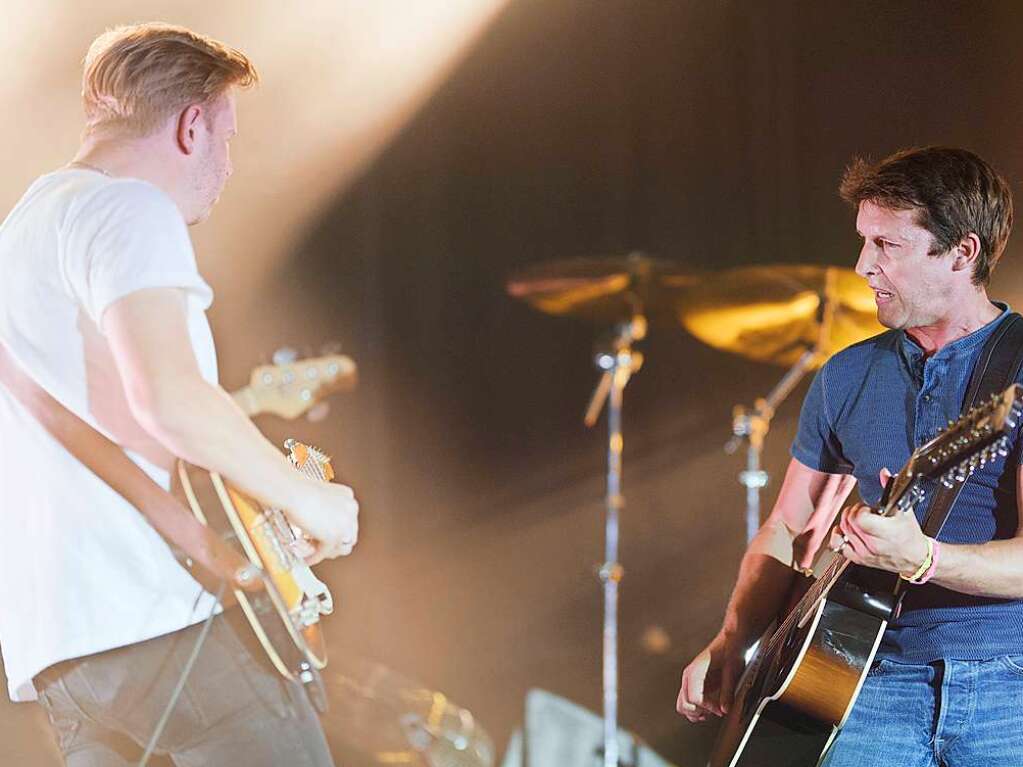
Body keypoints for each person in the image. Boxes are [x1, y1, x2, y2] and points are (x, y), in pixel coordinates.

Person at [0, 23, 359, 766]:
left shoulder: (19, 235)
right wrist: (306, 497)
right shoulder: (128, 210)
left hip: (60, 655)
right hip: (167, 621)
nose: (227, 168)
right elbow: (169, 397)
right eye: (227, 140)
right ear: (192, 126)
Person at [676, 146, 1023, 766]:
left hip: (1006, 684)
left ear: (963, 254)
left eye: (887, 246)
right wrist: (735, 638)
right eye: (864, 241)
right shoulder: (846, 375)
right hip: (861, 683)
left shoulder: (1017, 367)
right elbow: (787, 527)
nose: (862, 265)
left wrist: (924, 559)